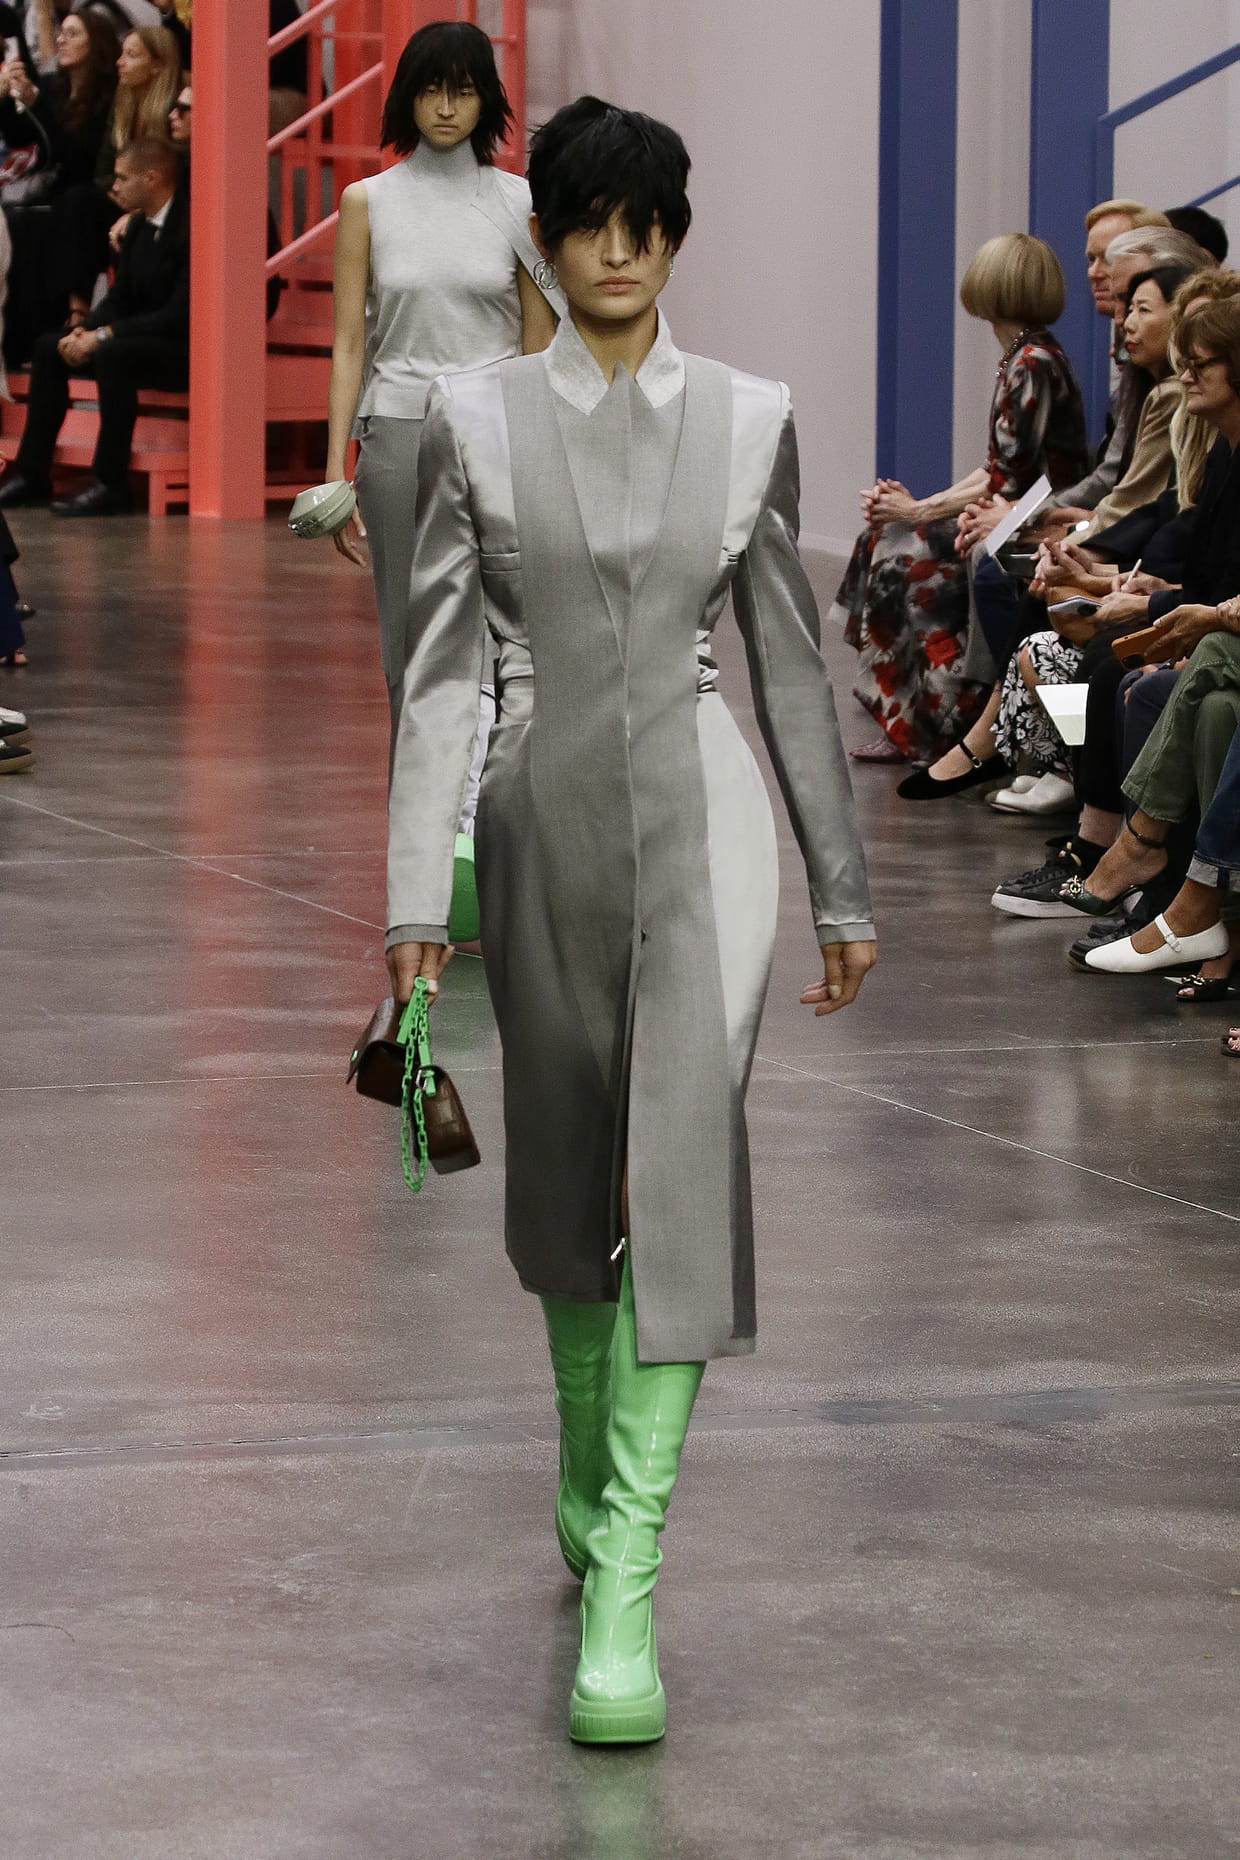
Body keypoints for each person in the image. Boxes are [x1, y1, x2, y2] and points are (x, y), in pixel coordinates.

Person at [384, 95, 875, 1745]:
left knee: (678, 1166)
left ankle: (629, 1580)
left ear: (674, 238)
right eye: (588, 222)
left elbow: (788, 663)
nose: (615, 250)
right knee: (563, 1177)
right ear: (547, 240)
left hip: (705, 820)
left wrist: (841, 884)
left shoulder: (750, 418)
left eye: (643, 225)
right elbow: (440, 670)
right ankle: (587, 1461)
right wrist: (415, 893)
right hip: (539, 821)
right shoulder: (469, 417)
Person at [327, 19, 559, 730]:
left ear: (487, 98)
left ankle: (490, 789)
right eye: (431, 91)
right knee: (406, 633)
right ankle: (420, 791)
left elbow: (539, 341)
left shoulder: (519, 203)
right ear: (407, 97)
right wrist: (335, 470)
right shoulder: (368, 202)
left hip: (497, 434)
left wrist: (541, 454)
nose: (447, 108)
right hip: (398, 432)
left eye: (463, 91)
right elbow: (349, 341)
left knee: (503, 627)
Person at [837, 233, 1087, 767]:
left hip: (1034, 516)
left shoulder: (1033, 363)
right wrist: (918, 507)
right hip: (1020, 508)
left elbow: (1011, 479)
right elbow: (999, 467)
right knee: (887, 535)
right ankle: (909, 718)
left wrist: (919, 511)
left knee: (908, 560)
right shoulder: (1025, 357)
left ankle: (937, 722)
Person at [0, 133, 187, 515]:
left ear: (151, 178)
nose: (114, 186)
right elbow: (120, 297)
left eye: (123, 177)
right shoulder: (138, 226)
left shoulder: (189, 227)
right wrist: (83, 331)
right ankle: (33, 474)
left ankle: (110, 483)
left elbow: (178, 313)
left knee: (112, 354)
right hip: (138, 335)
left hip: (180, 344)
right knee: (49, 347)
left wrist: (103, 335)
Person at [0, 5, 119, 361]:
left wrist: (37, 105)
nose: (62, 40)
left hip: (90, 191)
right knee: (15, 221)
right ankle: (19, 341)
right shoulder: (54, 86)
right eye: (61, 32)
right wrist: (7, 100)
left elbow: (75, 156)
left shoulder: (108, 94)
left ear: (95, 44)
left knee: (62, 211)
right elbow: (27, 139)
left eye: (73, 34)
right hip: (53, 192)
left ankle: (66, 320)